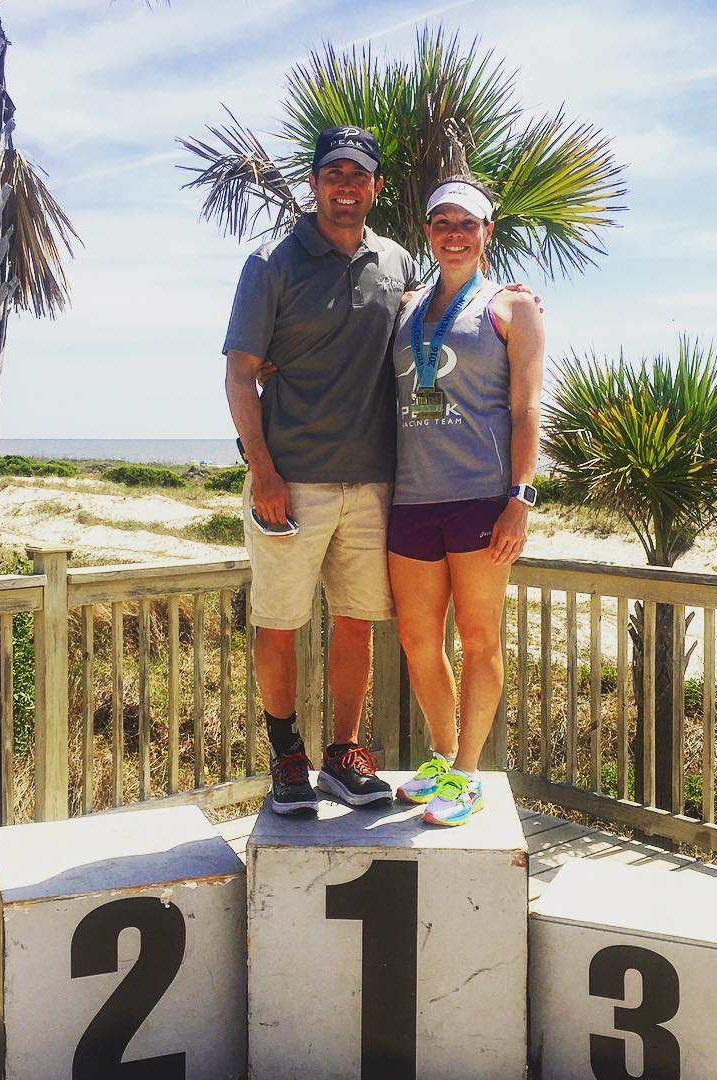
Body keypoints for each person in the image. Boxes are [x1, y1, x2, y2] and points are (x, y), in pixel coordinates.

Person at [223, 126, 420, 814]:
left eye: (358, 175)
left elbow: (433, 332)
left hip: (372, 481)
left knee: (357, 621)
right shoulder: (271, 264)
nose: (345, 185)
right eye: (332, 173)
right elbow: (240, 374)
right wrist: (263, 470)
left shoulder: (396, 263)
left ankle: (343, 754)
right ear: (312, 184)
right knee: (279, 622)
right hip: (291, 483)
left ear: (375, 188)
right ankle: (287, 759)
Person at [390, 177, 545, 826]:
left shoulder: (512, 308)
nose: (453, 232)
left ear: (487, 233)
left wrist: (520, 498)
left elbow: (527, 407)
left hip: (481, 500)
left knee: (479, 641)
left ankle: (468, 774)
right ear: (427, 232)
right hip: (408, 501)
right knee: (419, 641)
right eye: (441, 221)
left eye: (467, 223)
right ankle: (440, 755)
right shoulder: (403, 307)